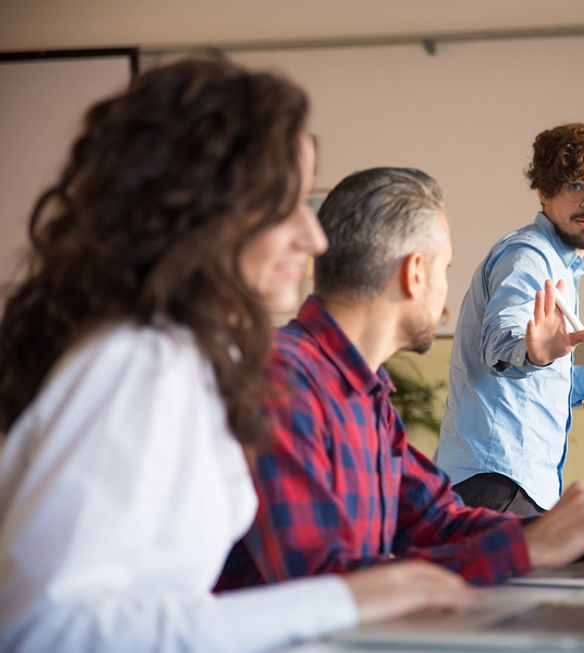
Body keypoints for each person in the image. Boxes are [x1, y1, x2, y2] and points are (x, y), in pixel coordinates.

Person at [0, 57, 471, 653]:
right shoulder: (139, 364)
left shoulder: (192, 360)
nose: (315, 237)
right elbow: (40, 631)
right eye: (288, 204)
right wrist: (346, 600)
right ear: (206, 210)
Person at [217, 167, 584, 591]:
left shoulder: (364, 396)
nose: (447, 295)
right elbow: (321, 584)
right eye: (445, 269)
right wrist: (533, 544)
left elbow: (437, 521)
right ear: (415, 274)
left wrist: (573, 529)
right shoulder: (283, 378)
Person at [434, 122, 584, 516]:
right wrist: (533, 355)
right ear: (545, 191)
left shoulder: (560, 264)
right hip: (496, 485)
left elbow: (539, 384)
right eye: (576, 185)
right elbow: (504, 344)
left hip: (504, 483)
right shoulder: (529, 259)